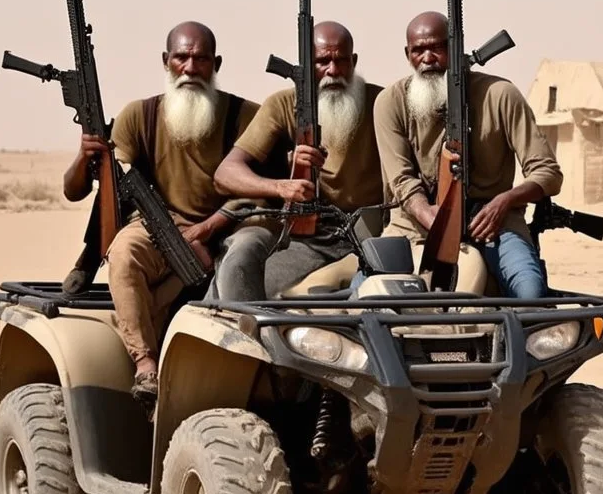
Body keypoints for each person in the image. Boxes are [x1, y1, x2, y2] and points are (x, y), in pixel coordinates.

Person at [62, 21, 259, 404]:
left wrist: (209, 228)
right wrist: (85, 156)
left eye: (201, 59)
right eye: (181, 58)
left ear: (216, 63)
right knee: (124, 252)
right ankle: (145, 363)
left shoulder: (245, 116)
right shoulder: (140, 116)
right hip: (156, 230)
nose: (190, 68)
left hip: (226, 230)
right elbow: (80, 190)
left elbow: (263, 192)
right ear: (166, 61)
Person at [373, 11, 562, 298]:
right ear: (407, 54)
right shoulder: (391, 102)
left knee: (530, 292)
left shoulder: (500, 94)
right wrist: (430, 216)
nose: (428, 58)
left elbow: (548, 173)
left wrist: (504, 202)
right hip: (415, 225)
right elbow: (401, 181)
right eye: (419, 50)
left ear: (455, 48)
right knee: (369, 293)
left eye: (437, 47)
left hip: (493, 224)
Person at [211, 21, 383, 299]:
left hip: (368, 235)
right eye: (322, 61)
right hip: (305, 239)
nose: (333, 71)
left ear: (353, 61)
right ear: (306, 66)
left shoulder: (380, 102)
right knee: (238, 276)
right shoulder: (282, 104)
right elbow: (226, 173)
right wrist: (282, 186)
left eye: (341, 60)